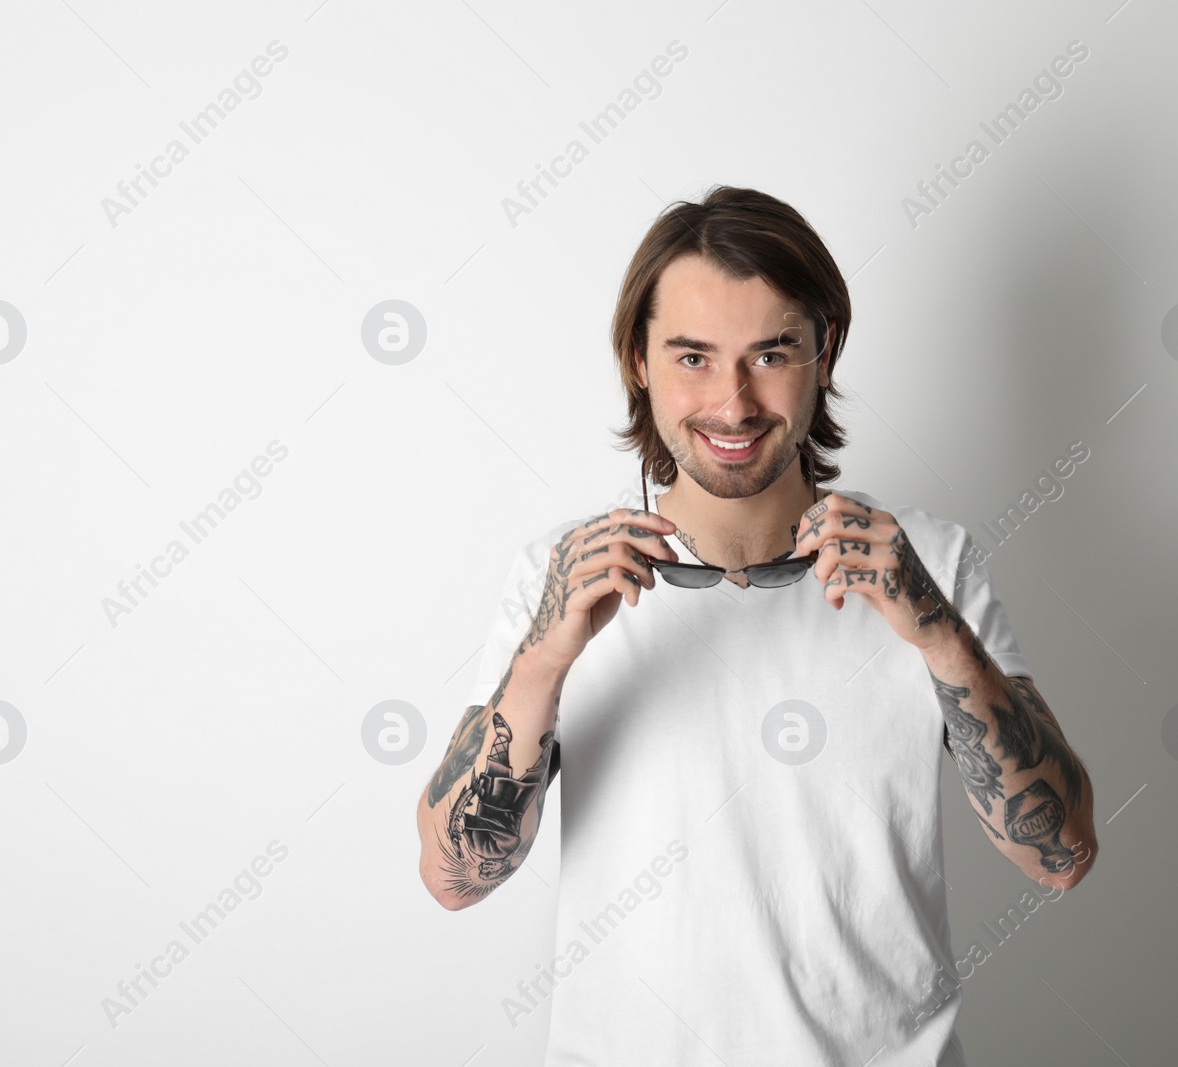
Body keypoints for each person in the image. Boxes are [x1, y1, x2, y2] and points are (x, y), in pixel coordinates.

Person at [416, 185, 1098, 1066]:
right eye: (693, 357)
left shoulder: (932, 562)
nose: (733, 404)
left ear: (825, 349)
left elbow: (1063, 854)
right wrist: (547, 658)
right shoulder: (558, 578)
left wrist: (937, 634)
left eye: (770, 352)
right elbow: (452, 877)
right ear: (638, 360)